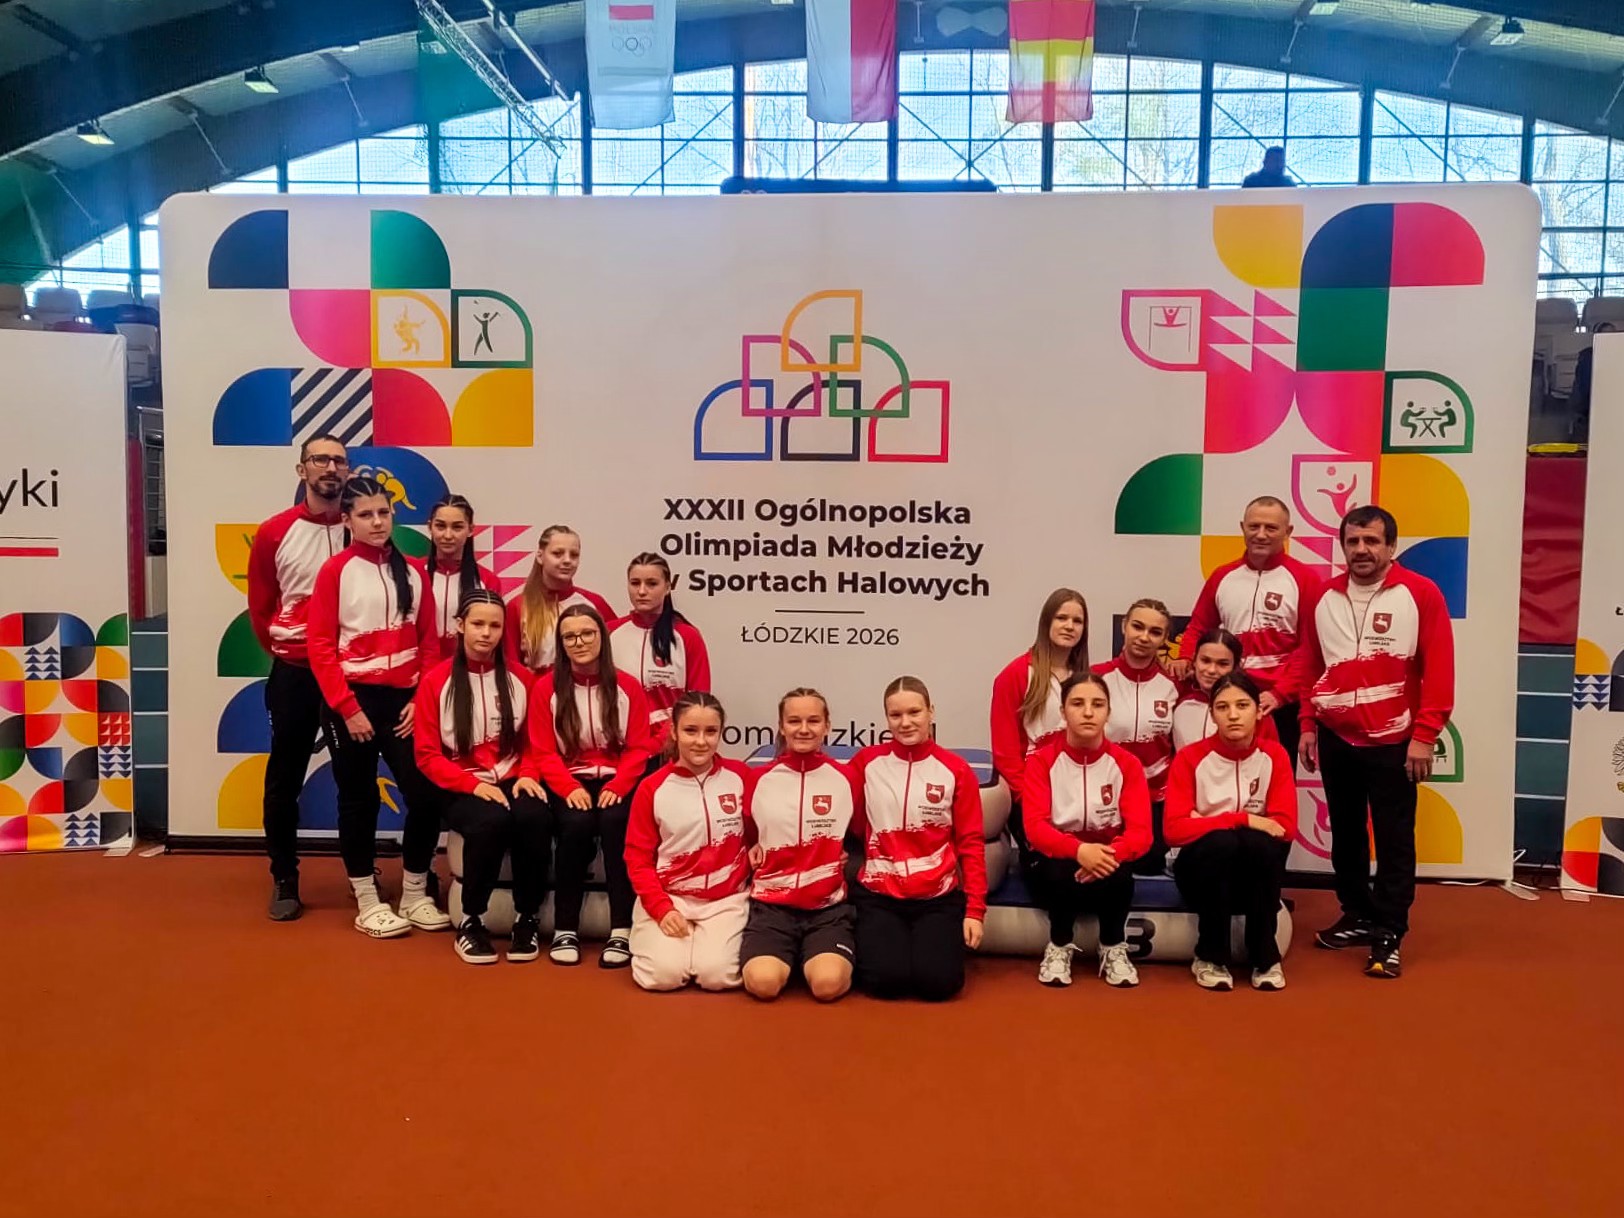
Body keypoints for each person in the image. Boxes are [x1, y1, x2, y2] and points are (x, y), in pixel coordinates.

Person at [1292, 505, 1455, 980]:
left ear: (1391, 547)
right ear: (1342, 546)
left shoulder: (1420, 593)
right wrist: (1307, 723)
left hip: (1396, 741)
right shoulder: (1323, 597)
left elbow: (1439, 668)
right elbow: (1311, 664)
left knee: (1394, 839)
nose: (1361, 550)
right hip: (1336, 737)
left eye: (1371, 541)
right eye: (1353, 541)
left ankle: (1389, 931)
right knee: (1345, 834)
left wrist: (1424, 736)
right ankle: (1357, 914)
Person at [307, 475, 450, 938]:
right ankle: (367, 899)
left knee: (425, 794)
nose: (377, 522)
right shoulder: (335, 571)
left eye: (383, 513)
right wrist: (348, 708)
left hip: (404, 703)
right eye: (365, 515)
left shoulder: (413, 571)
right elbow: (320, 647)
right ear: (347, 521)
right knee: (359, 799)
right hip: (351, 702)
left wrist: (420, 698)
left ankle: (414, 893)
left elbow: (429, 642)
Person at [413, 588, 551, 965]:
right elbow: (426, 756)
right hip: (458, 782)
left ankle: (527, 918)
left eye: (494, 626)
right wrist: (473, 785)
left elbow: (535, 743)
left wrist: (529, 774)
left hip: (513, 776)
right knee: (491, 821)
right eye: (477, 624)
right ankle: (472, 921)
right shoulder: (436, 681)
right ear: (460, 625)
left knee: (535, 817)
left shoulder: (522, 678)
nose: (486, 633)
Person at [246, 434, 349, 921]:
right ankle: (284, 876)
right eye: (320, 459)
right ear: (302, 469)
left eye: (339, 461)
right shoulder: (274, 532)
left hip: (351, 677)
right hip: (296, 675)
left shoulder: (364, 527)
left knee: (357, 779)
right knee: (284, 777)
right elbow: (262, 608)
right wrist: (294, 655)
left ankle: (362, 875)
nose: (330, 467)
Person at [522, 604, 654, 967]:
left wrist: (621, 784)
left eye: (587, 633)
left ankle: (622, 929)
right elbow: (543, 751)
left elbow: (639, 747)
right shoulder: (546, 688)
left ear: (602, 637)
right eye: (570, 637)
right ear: (561, 644)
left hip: (617, 779)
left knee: (617, 822)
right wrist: (568, 788)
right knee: (575, 825)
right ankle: (566, 928)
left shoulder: (627, 686)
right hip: (570, 780)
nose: (579, 642)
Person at [850, 677, 988, 1002]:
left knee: (938, 985)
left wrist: (975, 911)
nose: (905, 722)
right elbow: (849, 820)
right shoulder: (866, 764)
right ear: (886, 718)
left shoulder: (955, 770)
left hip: (937, 897)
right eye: (895, 715)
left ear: (931, 712)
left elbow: (971, 842)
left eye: (914, 712)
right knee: (885, 983)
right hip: (880, 895)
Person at [1165, 672, 1295, 992]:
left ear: (1258, 711)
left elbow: (1286, 828)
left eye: (1242, 705)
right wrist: (1243, 819)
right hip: (1199, 872)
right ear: (1212, 715)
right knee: (1223, 842)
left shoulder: (1275, 756)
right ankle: (1210, 956)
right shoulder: (1190, 758)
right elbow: (1174, 830)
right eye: (1222, 707)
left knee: (1260, 845)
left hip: (1252, 871)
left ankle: (1264, 957)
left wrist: (1212, 822)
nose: (1233, 715)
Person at [1020, 673, 1152, 989]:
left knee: (1120, 873)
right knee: (1059, 870)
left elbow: (1142, 833)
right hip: (1055, 862)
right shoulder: (1041, 762)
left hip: (1107, 860)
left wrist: (1106, 856)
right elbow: (1035, 828)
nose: (1088, 712)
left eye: (1098, 704)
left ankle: (1113, 946)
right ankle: (1059, 945)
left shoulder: (1127, 764)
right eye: (1078, 704)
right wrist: (1080, 851)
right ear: (1063, 712)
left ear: (1109, 712)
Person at [1170, 496, 1321, 765]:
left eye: (1271, 528)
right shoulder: (1223, 576)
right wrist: (1184, 656)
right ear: (1242, 527)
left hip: (1278, 704)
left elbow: (1309, 649)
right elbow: (1198, 626)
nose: (1260, 534)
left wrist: (1279, 694)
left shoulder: (1305, 579)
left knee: (1273, 778)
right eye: (1254, 526)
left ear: (1288, 532)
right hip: (1229, 694)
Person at [623, 692, 752, 992]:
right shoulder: (652, 787)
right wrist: (662, 908)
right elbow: (637, 857)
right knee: (662, 977)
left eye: (711, 731)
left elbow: (765, 828)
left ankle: (702, 946)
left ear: (721, 733)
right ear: (674, 731)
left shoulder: (741, 777)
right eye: (690, 731)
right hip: (671, 898)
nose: (701, 741)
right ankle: (672, 945)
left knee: (716, 976)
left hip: (726, 901)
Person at [740, 688, 857, 1002]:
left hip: (827, 909)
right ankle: (788, 958)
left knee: (827, 986)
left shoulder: (846, 778)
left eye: (813, 721)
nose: (804, 729)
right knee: (763, 984)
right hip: (771, 908)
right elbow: (749, 833)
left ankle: (813, 959)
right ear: (781, 726)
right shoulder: (758, 779)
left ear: (827, 725)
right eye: (794, 721)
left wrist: (844, 854)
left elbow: (861, 831)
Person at [989, 588, 1090, 847]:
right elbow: (1006, 754)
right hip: (1033, 797)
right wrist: (1030, 800)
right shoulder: (1015, 675)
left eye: (1077, 621)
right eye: (1061, 618)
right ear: (1046, 622)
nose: (1069, 626)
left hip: (1079, 795)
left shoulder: (1086, 678)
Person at [1094, 598, 1179, 873]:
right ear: (1124, 626)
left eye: (1155, 632)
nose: (1144, 637)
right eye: (1137, 627)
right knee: (1109, 869)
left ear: (1165, 638)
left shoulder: (1175, 684)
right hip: (1106, 797)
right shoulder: (1096, 678)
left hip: (1155, 800)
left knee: (1147, 867)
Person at [609, 552, 712, 750]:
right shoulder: (610, 633)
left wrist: (662, 741)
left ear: (667, 587)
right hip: (621, 748)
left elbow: (698, 702)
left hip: (669, 747)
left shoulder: (688, 636)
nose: (641, 591)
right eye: (635, 583)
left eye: (652, 583)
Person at [506, 525, 616, 673]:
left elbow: (613, 654)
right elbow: (511, 666)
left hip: (585, 686)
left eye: (574, 555)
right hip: (537, 687)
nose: (567, 560)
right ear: (540, 556)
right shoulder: (518, 606)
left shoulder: (595, 603)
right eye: (557, 554)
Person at [1171, 628, 1279, 752]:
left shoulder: (1253, 708)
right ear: (1194, 660)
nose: (1211, 670)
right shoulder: (1176, 694)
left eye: (1222, 664)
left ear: (1235, 666)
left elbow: (1271, 756)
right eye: (1205, 661)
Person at [425, 494, 500, 656]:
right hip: (422, 668)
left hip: (465, 667)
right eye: (440, 526)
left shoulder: (487, 580)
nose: (448, 535)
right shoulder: (415, 573)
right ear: (430, 527)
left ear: (470, 530)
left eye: (457, 527)